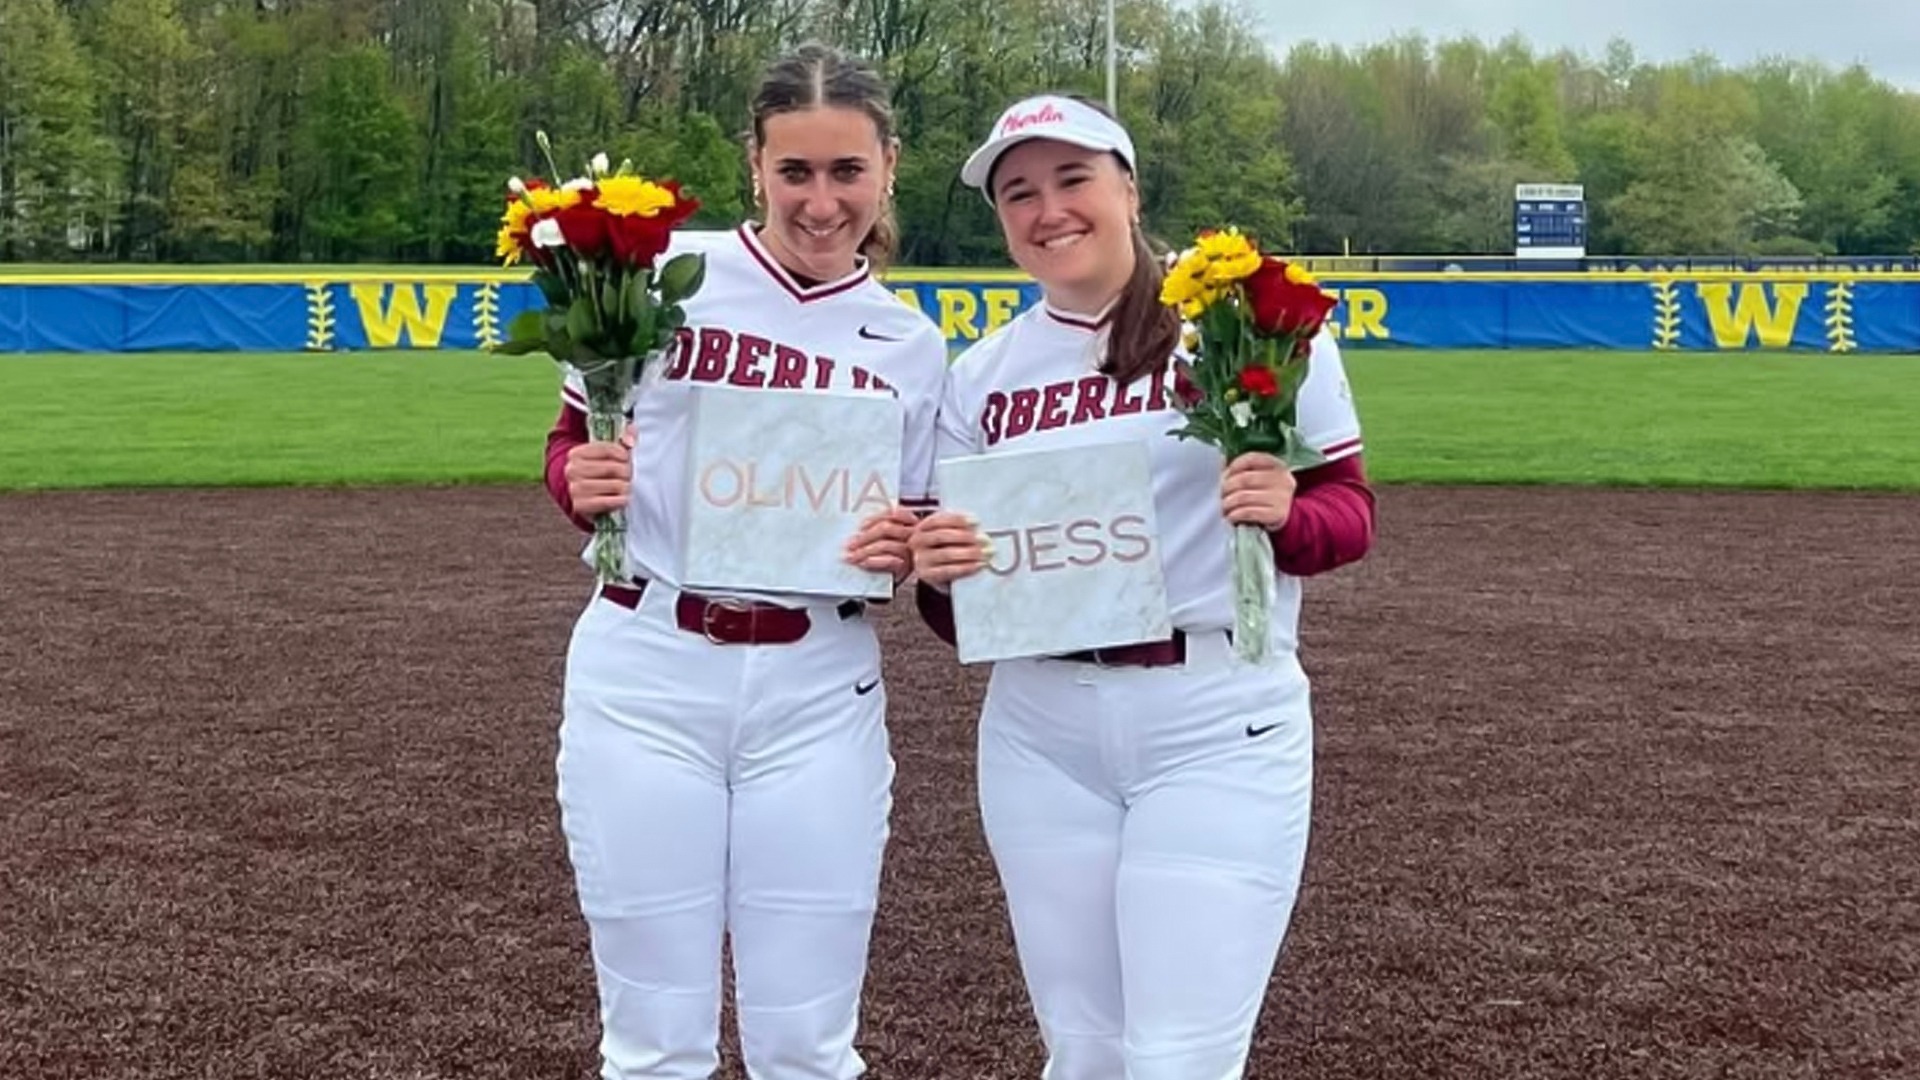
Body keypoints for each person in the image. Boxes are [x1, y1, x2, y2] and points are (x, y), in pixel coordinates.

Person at [908, 93, 1377, 1080]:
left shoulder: (1246, 329)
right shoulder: (982, 375)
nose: (1048, 210)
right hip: (1040, 728)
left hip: (1215, 716)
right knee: (1082, 1051)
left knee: (1179, 1057)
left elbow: (1348, 517)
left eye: (1073, 179)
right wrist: (941, 574)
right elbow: (959, 612)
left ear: (1127, 187)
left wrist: (1285, 513)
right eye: (1018, 193)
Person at [541, 43, 946, 1080]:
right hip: (648, 667)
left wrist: (905, 546)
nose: (821, 201)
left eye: (846, 171)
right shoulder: (665, 280)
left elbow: (906, 531)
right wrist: (578, 479)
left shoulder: (911, 344)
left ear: (889, 167)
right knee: (653, 1044)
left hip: (817, 687)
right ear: (754, 167)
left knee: (807, 1046)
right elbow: (574, 443)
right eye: (795, 171)